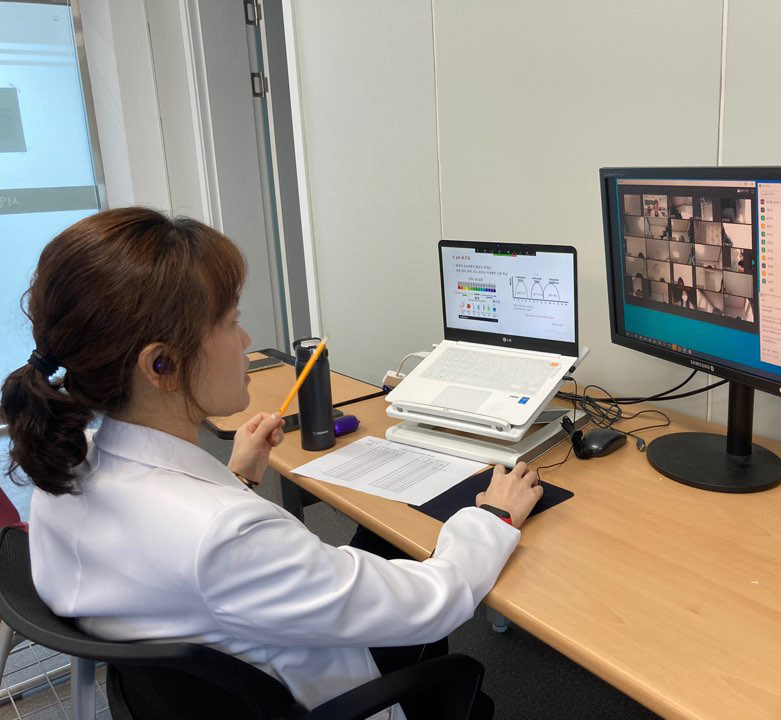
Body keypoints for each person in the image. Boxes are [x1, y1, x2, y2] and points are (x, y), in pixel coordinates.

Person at [0, 208, 542, 720]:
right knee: (417, 556)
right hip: (317, 689)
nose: (246, 340)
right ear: (162, 364)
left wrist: (236, 478)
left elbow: (169, 557)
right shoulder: (223, 536)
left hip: (219, 665)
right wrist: (493, 518)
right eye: (230, 322)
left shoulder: (65, 466)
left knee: (380, 538)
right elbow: (434, 603)